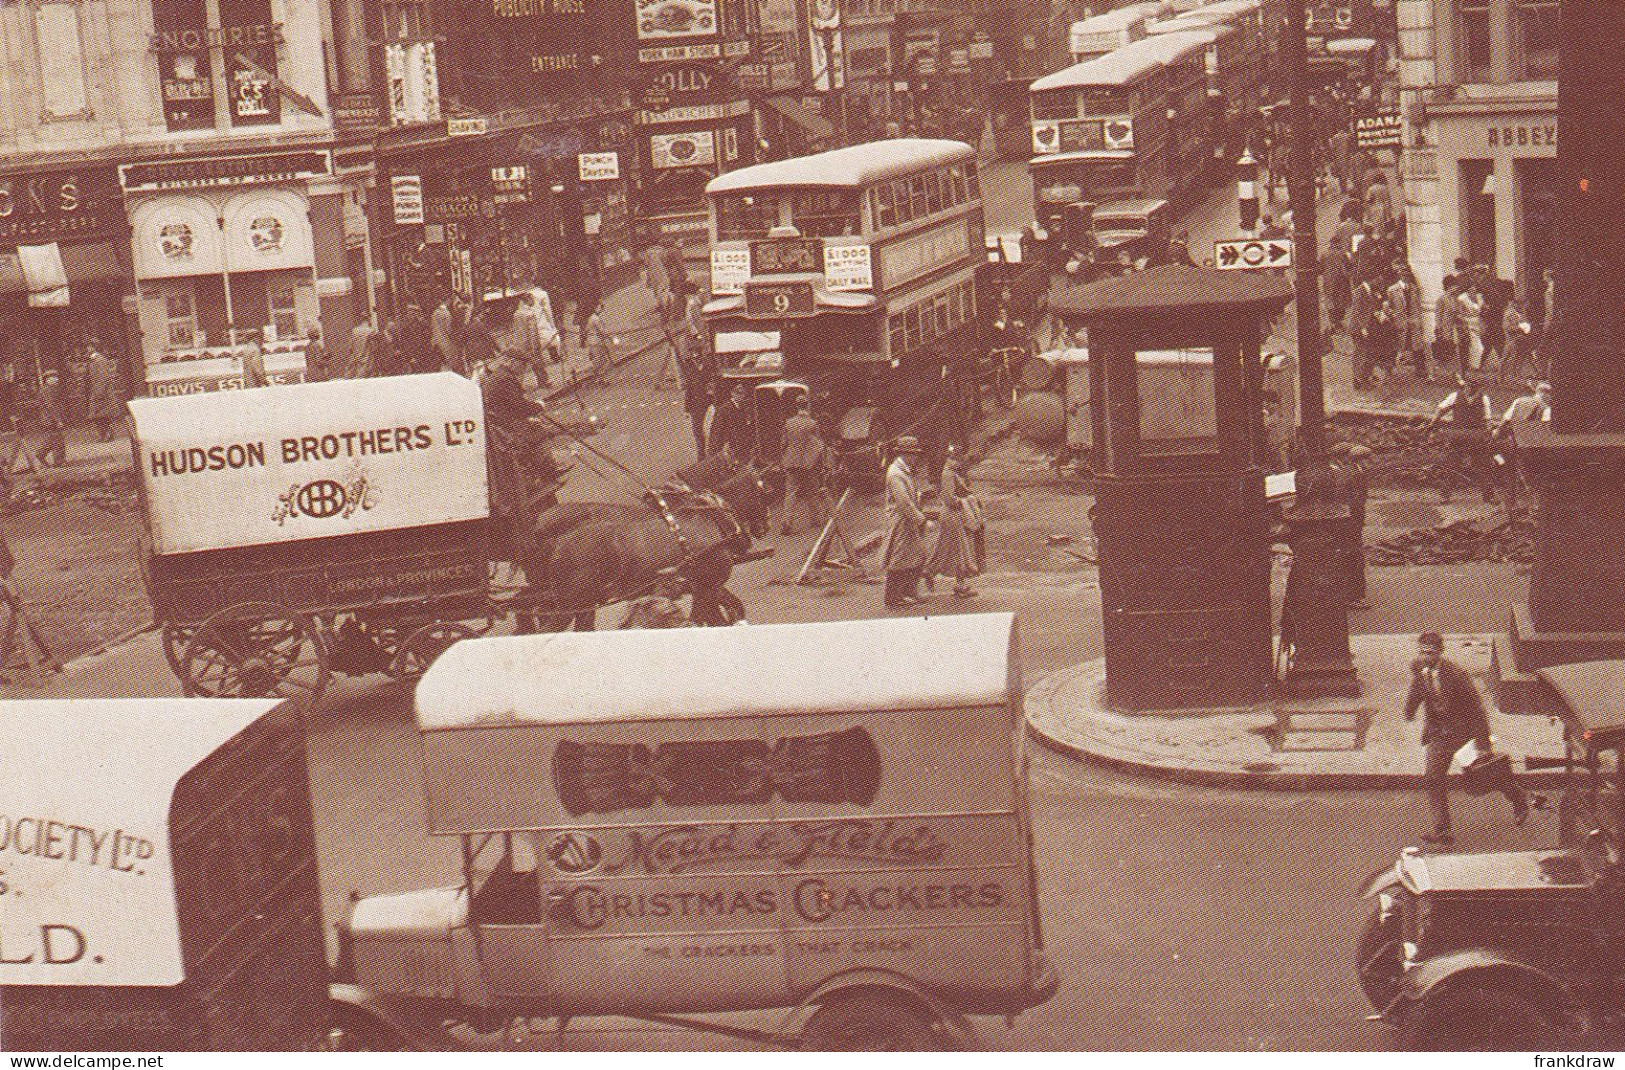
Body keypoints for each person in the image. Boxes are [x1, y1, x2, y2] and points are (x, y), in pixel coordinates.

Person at [1404, 632, 1529, 846]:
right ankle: (1442, 830)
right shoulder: (1419, 668)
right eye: (1422, 652)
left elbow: (1476, 710)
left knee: (1486, 775)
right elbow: (1418, 689)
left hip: (1463, 734)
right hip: (1438, 734)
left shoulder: (1456, 676)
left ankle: (1518, 799)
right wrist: (1410, 709)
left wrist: (1483, 745)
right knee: (1433, 779)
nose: (1426, 657)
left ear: (1441, 652)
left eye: (1431, 653)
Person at [880, 436, 930, 610]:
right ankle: (892, 597)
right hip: (900, 519)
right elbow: (904, 502)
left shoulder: (904, 471)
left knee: (918, 555)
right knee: (900, 558)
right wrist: (921, 519)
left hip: (908, 518)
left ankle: (909, 592)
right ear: (905, 454)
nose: (916, 457)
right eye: (913, 454)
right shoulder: (895, 473)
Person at [1429, 377, 1497, 504]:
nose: (1469, 389)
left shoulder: (1484, 399)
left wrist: (1488, 435)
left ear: (1477, 387)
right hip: (1458, 436)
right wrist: (1433, 423)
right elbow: (1441, 409)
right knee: (1452, 464)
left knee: (1483, 465)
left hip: (1476, 437)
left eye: (1473, 386)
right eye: (1468, 386)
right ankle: (1445, 494)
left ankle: (1488, 495)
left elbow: (1487, 419)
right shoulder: (1455, 396)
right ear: (1465, 386)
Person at [926, 443, 981, 598]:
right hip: (953, 515)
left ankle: (931, 572)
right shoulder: (948, 474)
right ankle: (957, 584)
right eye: (959, 458)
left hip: (954, 516)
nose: (961, 461)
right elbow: (949, 498)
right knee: (958, 550)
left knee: (949, 549)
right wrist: (967, 501)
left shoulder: (952, 472)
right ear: (954, 457)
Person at [779, 399, 829, 536]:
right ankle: (816, 520)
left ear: (796, 407)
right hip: (808, 464)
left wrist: (785, 458)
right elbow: (818, 445)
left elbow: (783, 443)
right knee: (812, 492)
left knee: (790, 493)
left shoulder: (789, 423)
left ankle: (787, 522)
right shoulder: (812, 424)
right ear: (807, 406)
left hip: (791, 464)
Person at [82, 339, 118, 441]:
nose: (87, 349)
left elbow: (103, 377)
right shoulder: (92, 360)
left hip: (102, 392)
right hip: (96, 391)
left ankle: (107, 435)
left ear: (94, 347)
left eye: (89, 346)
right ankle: (103, 435)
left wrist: (99, 392)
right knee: (99, 416)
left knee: (103, 416)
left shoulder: (100, 360)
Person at [708, 383, 752, 464]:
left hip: (740, 446)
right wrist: (713, 451)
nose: (742, 396)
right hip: (728, 446)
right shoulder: (724, 409)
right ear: (732, 393)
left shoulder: (743, 407)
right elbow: (716, 431)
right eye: (739, 393)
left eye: (743, 394)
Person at [35, 370, 65, 468]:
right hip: (50, 419)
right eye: (54, 377)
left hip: (49, 418)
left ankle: (41, 454)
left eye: (57, 377)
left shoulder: (50, 389)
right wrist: (58, 420)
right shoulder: (48, 390)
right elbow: (51, 406)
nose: (57, 379)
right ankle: (58, 461)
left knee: (54, 439)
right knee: (57, 440)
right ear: (48, 379)